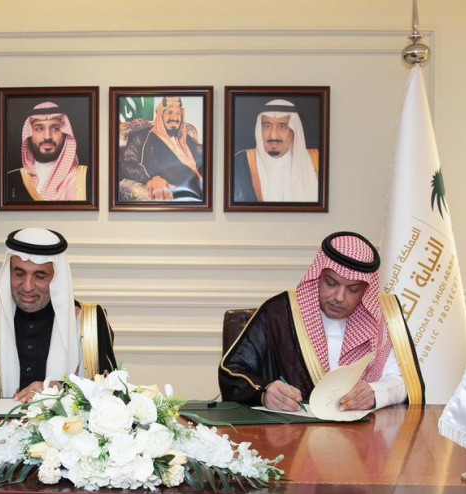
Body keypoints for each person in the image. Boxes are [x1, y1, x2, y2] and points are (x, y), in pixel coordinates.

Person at [218, 232, 423, 412]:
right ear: (318, 276)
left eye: (353, 289)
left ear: (366, 291)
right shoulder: (279, 314)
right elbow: (232, 371)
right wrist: (265, 392)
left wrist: (376, 392)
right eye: (331, 283)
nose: (339, 297)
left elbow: (405, 381)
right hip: (289, 436)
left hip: (360, 437)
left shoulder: (381, 320)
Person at [0, 228, 117, 404]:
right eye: (19, 273)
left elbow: (110, 388)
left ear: (57, 278)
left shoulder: (88, 320)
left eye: (40, 276)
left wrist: (59, 388)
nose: (27, 286)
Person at [118, 97, 205, 202]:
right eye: (169, 112)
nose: (174, 118)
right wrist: (152, 178)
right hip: (183, 194)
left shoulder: (185, 138)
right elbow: (127, 164)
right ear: (161, 115)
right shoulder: (144, 137)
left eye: (178, 113)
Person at [231, 99, 320, 203]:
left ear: (293, 131)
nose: (273, 135)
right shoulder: (241, 162)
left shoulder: (316, 161)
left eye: (282, 127)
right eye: (267, 126)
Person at [5, 102, 89, 202]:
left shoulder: (85, 177)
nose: (47, 136)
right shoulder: (12, 179)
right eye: (39, 129)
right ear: (29, 134)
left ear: (65, 133)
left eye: (55, 128)